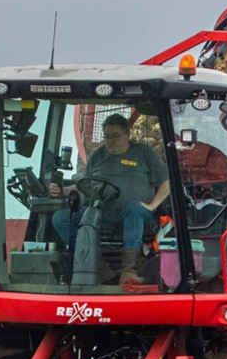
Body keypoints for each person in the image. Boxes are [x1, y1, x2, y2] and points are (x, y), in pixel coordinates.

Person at [51, 113, 168, 284]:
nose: (111, 141)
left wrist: (152, 205)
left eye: (115, 136)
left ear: (127, 134)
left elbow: (167, 181)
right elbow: (85, 184)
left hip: (138, 215)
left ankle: (129, 271)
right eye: (107, 136)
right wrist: (63, 190)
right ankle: (100, 267)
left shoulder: (143, 152)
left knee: (134, 208)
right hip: (103, 213)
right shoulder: (98, 156)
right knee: (60, 218)